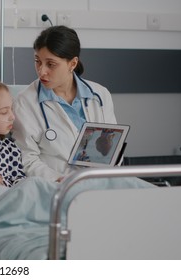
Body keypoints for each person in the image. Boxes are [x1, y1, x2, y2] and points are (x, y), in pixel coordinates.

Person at [12, 25, 117, 182]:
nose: (42, 71)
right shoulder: (25, 102)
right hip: (56, 187)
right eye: (37, 61)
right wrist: (58, 180)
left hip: (99, 180)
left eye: (51, 64)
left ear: (72, 64)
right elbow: (27, 159)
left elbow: (111, 148)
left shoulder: (100, 95)